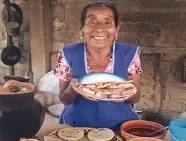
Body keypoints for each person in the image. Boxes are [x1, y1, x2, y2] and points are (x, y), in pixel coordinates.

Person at [54, 2, 143, 131]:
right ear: (81, 29)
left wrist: (126, 93)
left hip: (120, 127)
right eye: (92, 22)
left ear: (116, 30)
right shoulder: (67, 54)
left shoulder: (129, 54)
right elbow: (64, 99)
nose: (100, 28)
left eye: (107, 23)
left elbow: (136, 97)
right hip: (76, 127)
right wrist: (72, 90)